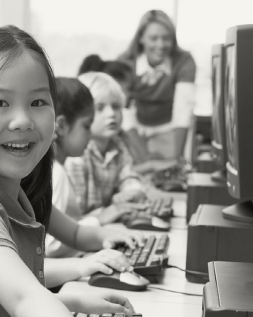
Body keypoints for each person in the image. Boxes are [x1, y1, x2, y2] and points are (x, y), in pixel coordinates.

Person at [0, 26, 137, 317]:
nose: (23, 120)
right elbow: (23, 300)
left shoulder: (15, 189)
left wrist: (73, 303)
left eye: (38, 102)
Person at [45, 77, 144, 263]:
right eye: (86, 126)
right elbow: (51, 246)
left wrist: (104, 235)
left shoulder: (55, 169)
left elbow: (72, 233)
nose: (90, 134)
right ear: (62, 126)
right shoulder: (56, 173)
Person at [65, 71, 149, 225]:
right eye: (100, 108)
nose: (111, 114)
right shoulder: (76, 155)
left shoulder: (118, 146)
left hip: (103, 223)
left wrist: (131, 192)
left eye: (116, 107)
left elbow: (127, 175)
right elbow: (74, 217)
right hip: (84, 228)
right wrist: (110, 211)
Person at [78, 54, 178, 175]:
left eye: (115, 107)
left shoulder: (116, 140)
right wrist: (150, 165)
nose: (133, 94)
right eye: (129, 88)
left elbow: (125, 172)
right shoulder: (82, 151)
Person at [119, 9, 197, 162]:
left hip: (168, 127)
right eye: (153, 38)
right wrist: (143, 155)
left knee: (168, 171)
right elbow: (125, 112)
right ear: (141, 38)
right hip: (135, 127)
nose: (160, 45)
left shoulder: (184, 61)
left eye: (166, 38)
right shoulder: (126, 63)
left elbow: (182, 113)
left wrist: (176, 159)